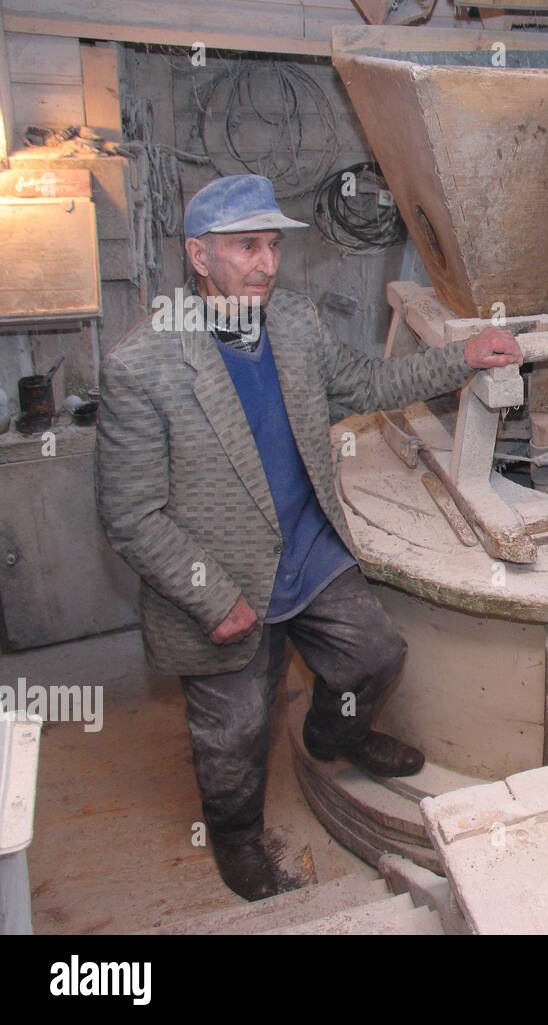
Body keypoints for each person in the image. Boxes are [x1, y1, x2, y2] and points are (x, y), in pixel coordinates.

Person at [95, 174, 522, 901]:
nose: (265, 263)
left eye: (271, 245)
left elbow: (364, 384)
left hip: (306, 546)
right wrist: (212, 595)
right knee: (237, 728)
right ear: (199, 256)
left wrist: (464, 357)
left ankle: (336, 734)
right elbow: (131, 513)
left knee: (376, 651)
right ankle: (235, 838)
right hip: (221, 579)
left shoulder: (290, 322)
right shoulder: (144, 366)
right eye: (243, 247)